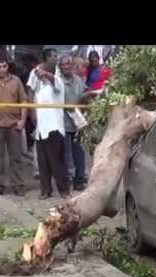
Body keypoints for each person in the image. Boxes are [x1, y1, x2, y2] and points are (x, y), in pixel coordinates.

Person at [27, 48, 69, 199]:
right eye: (53, 57)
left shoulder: (58, 77)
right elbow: (31, 91)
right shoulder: (35, 74)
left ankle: (64, 190)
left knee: (57, 161)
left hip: (54, 126)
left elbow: (54, 82)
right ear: (45, 59)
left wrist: (45, 74)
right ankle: (46, 190)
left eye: (56, 56)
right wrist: (32, 112)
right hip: (41, 127)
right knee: (43, 162)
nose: (56, 59)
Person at [59, 55, 90, 191]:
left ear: (72, 66)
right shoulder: (58, 82)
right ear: (60, 67)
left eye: (68, 64)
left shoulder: (78, 80)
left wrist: (88, 96)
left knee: (80, 153)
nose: (66, 67)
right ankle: (67, 180)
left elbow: (84, 95)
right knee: (66, 155)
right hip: (63, 123)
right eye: (63, 65)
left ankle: (79, 179)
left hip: (78, 123)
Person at [0, 56, 27, 196]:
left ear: (7, 66)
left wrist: (22, 120)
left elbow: (23, 101)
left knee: (15, 158)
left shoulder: (16, 81)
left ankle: (18, 185)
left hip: (13, 125)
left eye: (3, 66)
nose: (1, 69)